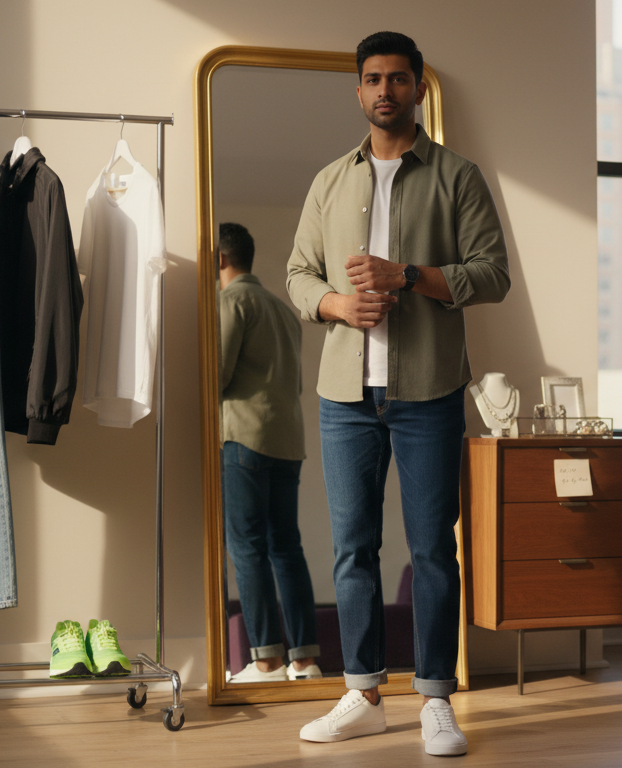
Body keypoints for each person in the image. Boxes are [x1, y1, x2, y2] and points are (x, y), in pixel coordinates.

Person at [286, 31, 510, 757]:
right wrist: (335, 306)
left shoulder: (458, 176)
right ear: (359, 91)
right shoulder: (328, 181)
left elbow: (493, 274)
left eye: (399, 79)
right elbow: (296, 276)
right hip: (343, 396)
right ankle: (363, 692)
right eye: (373, 79)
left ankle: (436, 701)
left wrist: (407, 276)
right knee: (352, 548)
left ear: (418, 88)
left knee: (431, 551)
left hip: (429, 393)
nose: (385, 90)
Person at [218, 222, 321, 683]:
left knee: (248, 548)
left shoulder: (232, 301)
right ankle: (304, 660)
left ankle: (265, 660)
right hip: (287, 440)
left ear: (220, 259)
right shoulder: (282, 309)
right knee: (287, 548)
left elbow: (216, 374)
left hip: (245, 437)